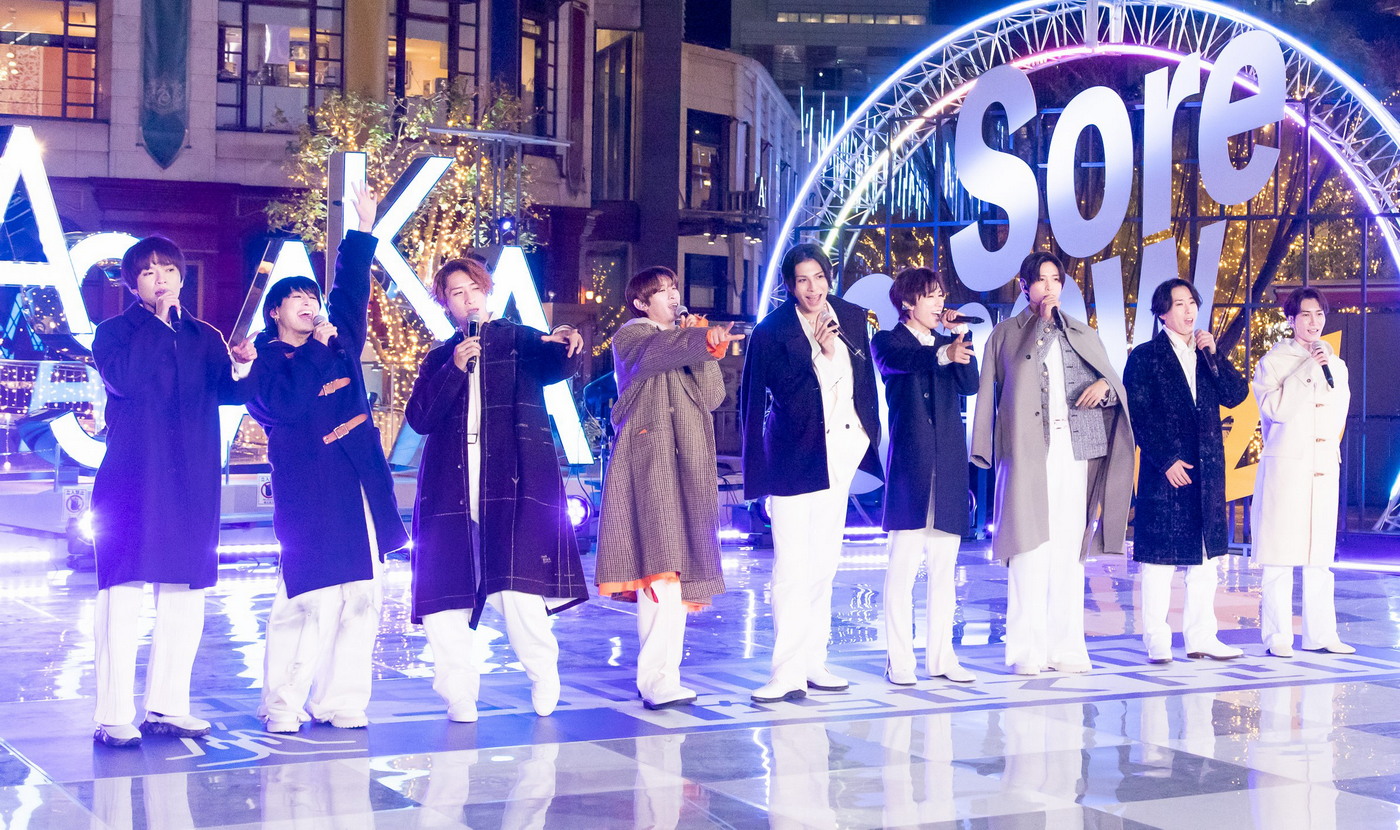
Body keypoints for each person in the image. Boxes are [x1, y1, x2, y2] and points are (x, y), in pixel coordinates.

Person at [246, 184, 409, 732]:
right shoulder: (265, 362)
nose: (309, 303)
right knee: (307, 599)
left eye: (311, 296)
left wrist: (363, 230)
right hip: (309, 493)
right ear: (275, 312)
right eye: (296, 297)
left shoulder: (339, 343)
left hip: (358, 485)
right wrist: (317, 347)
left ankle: (340, 699)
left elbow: (351, 292)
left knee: (361, 596)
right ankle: (282, 703)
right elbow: (286, 405)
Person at [405, 256, 590, 723]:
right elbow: (420, 418)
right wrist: (454, 367)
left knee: (517, 588)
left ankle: (543, 672)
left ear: (487, 291)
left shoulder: (516, 338)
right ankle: (458, 693)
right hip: (450, 485)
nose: (468, 299)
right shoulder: (439, 357)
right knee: (446, 596)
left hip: (510, 481)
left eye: (473, 289)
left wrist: (565, 337)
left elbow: (555, 359)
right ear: (446, 304)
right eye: (457, 293)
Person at [89, 236, 255, 747]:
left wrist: (243, 364)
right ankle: (112, 714)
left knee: (185, 595)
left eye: (167, 270)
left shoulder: (204, 335)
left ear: (182, 277)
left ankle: (167, 706)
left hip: (192, 478)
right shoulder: (114, 333)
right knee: (122, 595)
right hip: (133, 478)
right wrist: (159, 325)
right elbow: (124, 379)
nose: (159, 279)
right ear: (132, 283)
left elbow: (229, 393)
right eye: (147, 272)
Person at [970, 251, 1133, 677]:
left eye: (1055, 279)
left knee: (1067, 549)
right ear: (1024, 286)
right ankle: (1027, 650)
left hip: (1076, 449)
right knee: (1029, 547)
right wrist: (984, 447)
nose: (1048, 287)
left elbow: (1114, 386)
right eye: (1040, 280)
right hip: (1027, 451)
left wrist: (1104, 387)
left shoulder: (1082, 332)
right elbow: (992, 389)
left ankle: (1066, 648)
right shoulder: (1007, 335)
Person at [740, 243, 882, 703]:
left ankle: (813, 661)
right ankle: (786, 671)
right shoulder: (771, 331)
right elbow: (758, 398)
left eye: (819, 277)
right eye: (803, 280)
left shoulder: (852, 316)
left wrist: (867, 433)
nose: (813, 288)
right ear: (790, 285)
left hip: (840, 452)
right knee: (791, 569)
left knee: (824, 565)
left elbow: (863, 379)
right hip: (792, 457)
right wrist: (819, 352)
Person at [595, 266, 742, 709]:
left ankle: (664, 677)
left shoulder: (683, 339)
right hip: (648, 461)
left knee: (675, 571)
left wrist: (705, 346)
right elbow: (655, 354)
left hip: (687, 462)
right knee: (660, 568)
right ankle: (656, 680)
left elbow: (712, 397)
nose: (673, 296)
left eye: (674, 288)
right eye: (661, 292)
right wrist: (699, 338)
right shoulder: (632, 336)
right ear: (641, 304)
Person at [1123, 279, 1249, 664]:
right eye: (1179, 304)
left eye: (1192, 302)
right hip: (1166, 473)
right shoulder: (1146, 357)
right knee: (1159, 563)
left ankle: (1201, 637)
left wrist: (1215, 355)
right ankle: (1157, 639)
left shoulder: (1205, 354)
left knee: (1206, 561)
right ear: (1162, 312)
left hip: (1206, 471)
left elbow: (1236, 395)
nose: (1189, 310)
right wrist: (1165, 460)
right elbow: (1138, 414)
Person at [871, 267, 979, 685]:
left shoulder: (946, 343)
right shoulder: (888, 341)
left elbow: (969, 384)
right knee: (902, 571)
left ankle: (942, 657)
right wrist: (943, 352)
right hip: (911, 468)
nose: (939, 303)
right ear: (908, 302)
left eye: (941, 296)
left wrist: (959, 338)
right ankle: (899, 660)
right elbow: (903, 363)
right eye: (930, 296)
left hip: (949, 465)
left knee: (944, 572)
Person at [1251, 286, 1353, 657]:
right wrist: (1308, 368)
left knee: (1319, 558)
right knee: (1279, 556)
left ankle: (1321, 634)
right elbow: (1277, 410)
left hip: (1322, 467)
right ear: (1291, 320)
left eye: (1319, 314)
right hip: (1287, 469)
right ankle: (1277, 636)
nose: (1314, 322)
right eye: (1306, 315)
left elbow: (1337, 415)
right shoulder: (1274, 361)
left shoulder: (1336, 365)